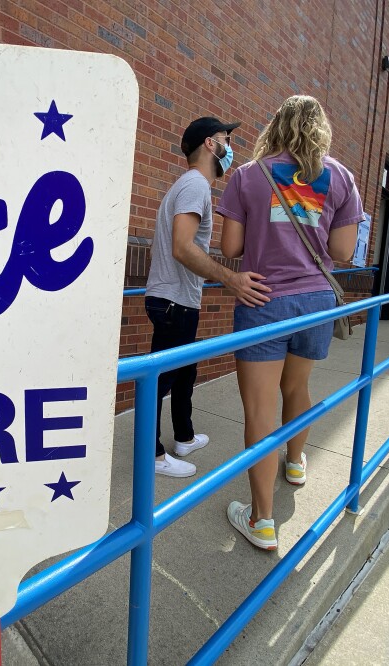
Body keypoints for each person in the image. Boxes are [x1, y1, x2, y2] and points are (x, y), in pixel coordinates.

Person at [216, 95, 363, 551]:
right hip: (316, 301)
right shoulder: (340, 176)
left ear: (275, 125)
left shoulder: (247, 175)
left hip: (264, 299)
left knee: (259, 411)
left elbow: (232, 248)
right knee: (297, 389)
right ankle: (296, 462)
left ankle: (261, 521)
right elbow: (341, 253)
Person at [145, 117, 272, 478]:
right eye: (225, 138)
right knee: (162, 378)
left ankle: (183, 437)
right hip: (174, 301)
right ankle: (151, 455)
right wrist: (231, 279)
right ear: (209, 144)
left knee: (185, 371)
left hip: (178, 298)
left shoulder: (190, 185)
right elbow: (183, 248)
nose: (230, 146)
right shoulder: (195, 185)